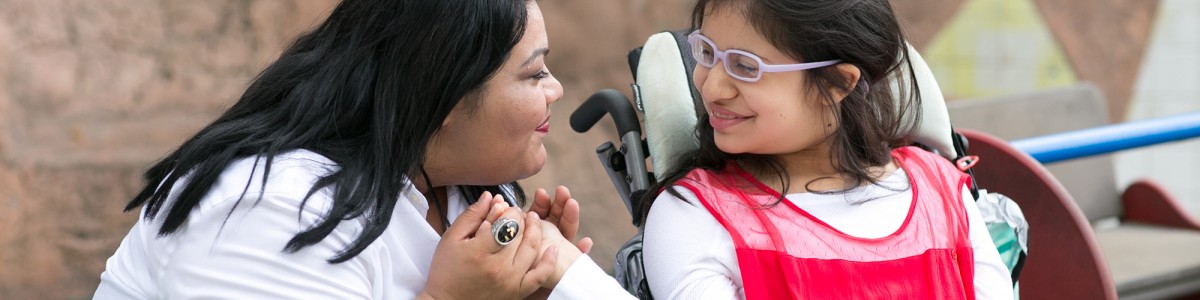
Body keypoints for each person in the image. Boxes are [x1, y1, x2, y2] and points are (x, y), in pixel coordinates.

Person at [93, 0, 616, 298]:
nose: (556, 90)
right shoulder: (270, 207)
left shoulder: (460, 193)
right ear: (442, 97)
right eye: (533, 73)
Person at [636, 0, 1015, 299]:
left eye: (744, 67)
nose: (712, 87)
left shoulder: (944, 194)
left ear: (837, 82)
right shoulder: (693, 213)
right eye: (705, 52)